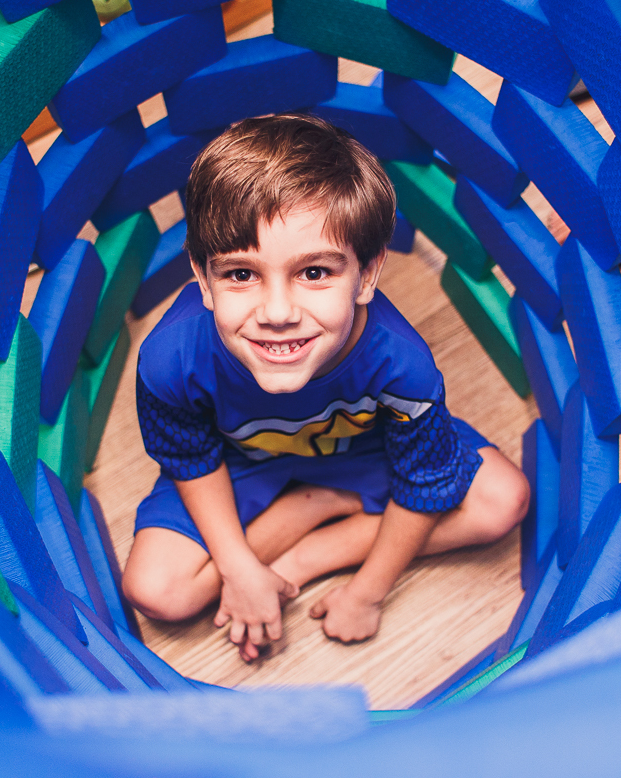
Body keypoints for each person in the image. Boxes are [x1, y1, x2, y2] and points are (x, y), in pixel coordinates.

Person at [122, 113, 529, 662]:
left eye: (314, 272)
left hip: (364, 452)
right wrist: (239, 570)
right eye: (241, 274)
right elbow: (190, 456)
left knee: (503, 501)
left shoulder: (402, 365)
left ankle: (316, 543)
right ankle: (310, 507)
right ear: (202, 278)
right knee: (157, 591)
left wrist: (367, 591)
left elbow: (424, 479)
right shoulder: (171, 357)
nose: (278, 313)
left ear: (366, 275)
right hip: (241, 465)